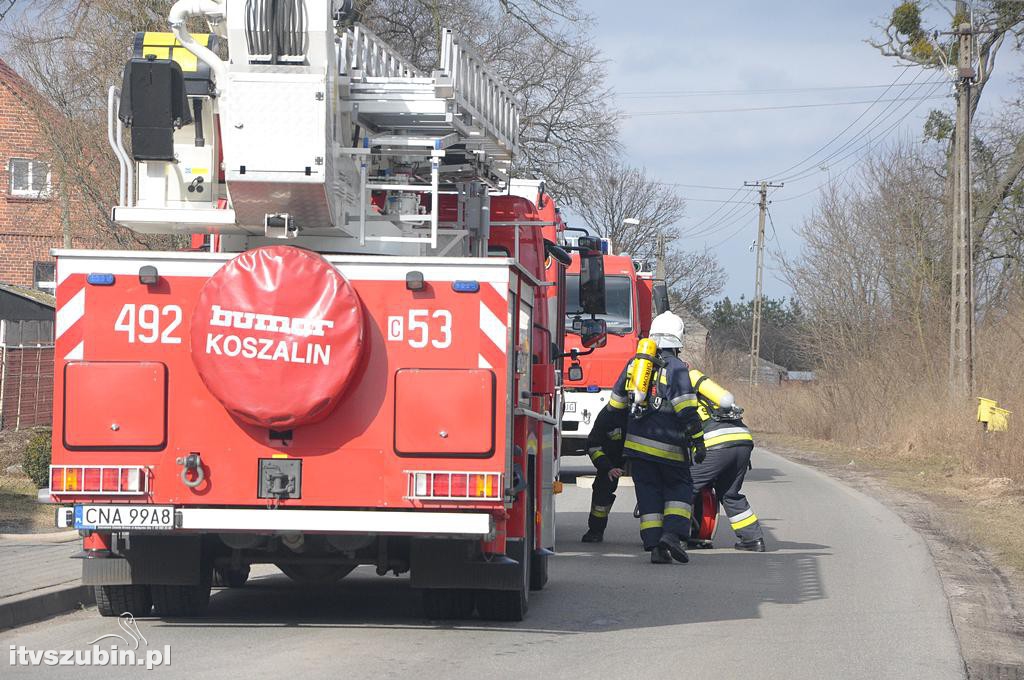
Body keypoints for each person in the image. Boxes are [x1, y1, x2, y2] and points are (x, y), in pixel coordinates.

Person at [606, 311, 706, 564]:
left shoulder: (634, 364)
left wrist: (618, 440)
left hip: (637, 450)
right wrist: (698, 440)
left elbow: (615, 406)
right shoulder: (676, 368)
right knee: (679, 490)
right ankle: (672, 536)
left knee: (648, 493)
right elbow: (686, 409)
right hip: (670, 447)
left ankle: (654, 546)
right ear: (678, 338)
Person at [688, 368, 766, 552]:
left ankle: (676, 537)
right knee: (729, 493)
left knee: (686, 488)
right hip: (743, 440)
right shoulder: (714, 399)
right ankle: (753, 539)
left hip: (716, 444)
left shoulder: (685, 399)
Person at [581, 407, 628, 543]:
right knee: (602, 489)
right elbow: (594, 446)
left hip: (643, 459)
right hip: (613, 460)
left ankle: (654, 537)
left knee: (651, 492)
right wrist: (607, 468)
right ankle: (595, 531)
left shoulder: (648, 412)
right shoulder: (608, 415)